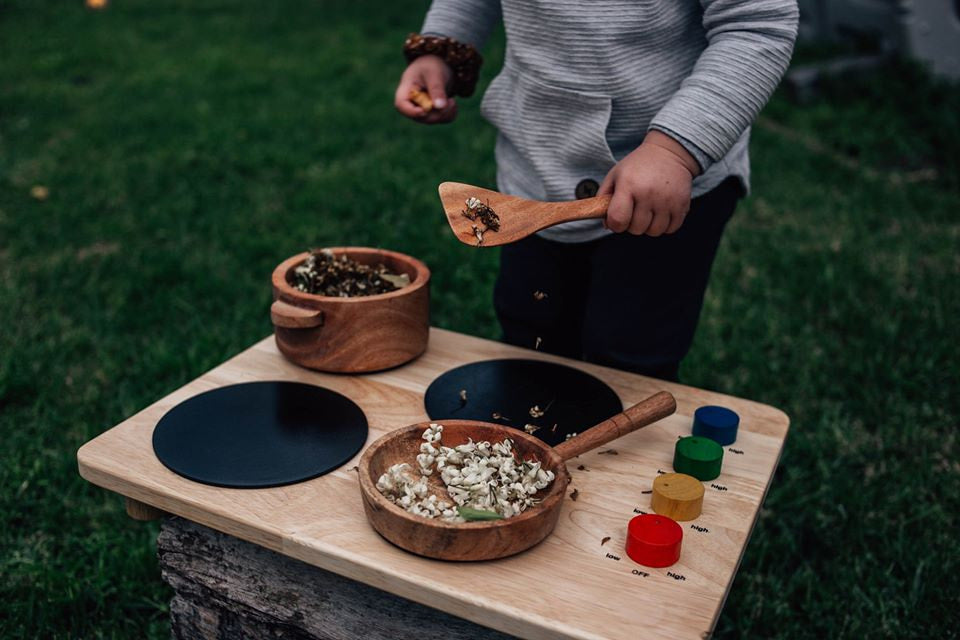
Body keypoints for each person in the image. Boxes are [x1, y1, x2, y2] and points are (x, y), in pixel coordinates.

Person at [395, 1, 799, 381]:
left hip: (664, 185)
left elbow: (757, 23)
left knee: (629, 350)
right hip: (537, 170)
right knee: (531, 329)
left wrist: (672, 150)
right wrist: (442, 48)